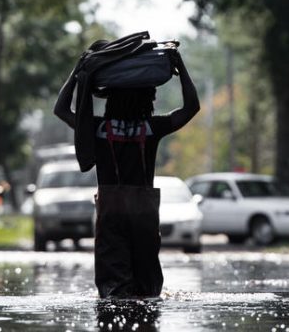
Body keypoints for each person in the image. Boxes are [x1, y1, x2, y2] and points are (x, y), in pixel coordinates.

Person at [54, 46, 199, 299]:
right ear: (146, 99)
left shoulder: (98, 127)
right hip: (144, 214)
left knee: (114, 290)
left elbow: (61, 109)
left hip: (111, 214)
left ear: (111, 99)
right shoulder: (151, 127)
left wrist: (78, 74)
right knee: (148, 288)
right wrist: (181, 68)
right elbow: (191, 108)